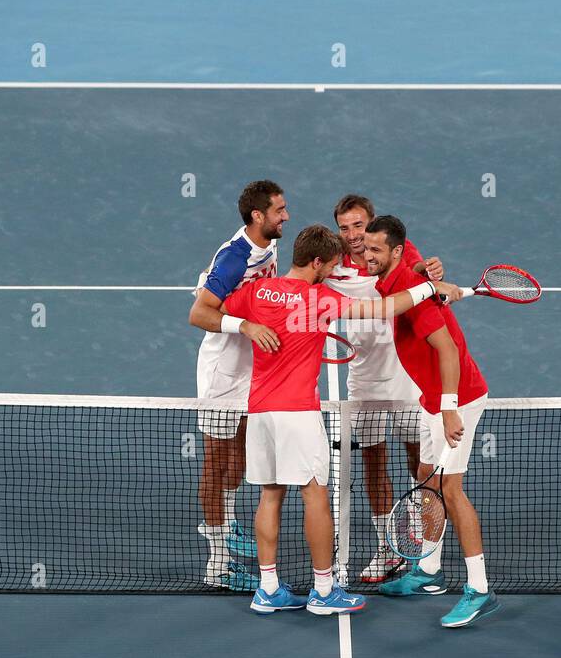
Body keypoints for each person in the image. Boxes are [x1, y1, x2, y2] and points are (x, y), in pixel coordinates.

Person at [190, 224, 464, 616]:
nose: (335, 270)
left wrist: (246, 324)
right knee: (316, 497)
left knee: (269, 496)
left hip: (260, 413)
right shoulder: (321, 299)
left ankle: (268, 589)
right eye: (332, 264)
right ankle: (323, 590)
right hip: (299, 416)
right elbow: (384, 308)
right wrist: (429, 289)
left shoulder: (252, 293)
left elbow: (206, 309)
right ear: (317, 263)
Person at [363, 215, 499, 628]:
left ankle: (479, 590)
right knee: (426, 478)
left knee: (451, 491)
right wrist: (431, 283)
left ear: (397, 252)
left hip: (456, 399)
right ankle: (428, 571)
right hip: (431, 397)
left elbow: (447, 350)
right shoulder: (398, 281)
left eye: (375, 250)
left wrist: (450, 407)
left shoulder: (408, 291)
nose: (365, 255)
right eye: (365, 248)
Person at [330, 194, 444, 583]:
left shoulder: (397, 251)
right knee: (374, 461)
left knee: (420, 460)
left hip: (406, 371)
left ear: (373, 224)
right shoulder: (333, 263)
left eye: (358, 225)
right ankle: (386, 548)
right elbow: (302, 285)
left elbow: (421, 270)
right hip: (364, 377)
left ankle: (424, 544)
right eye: (344, 228)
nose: (352, 235)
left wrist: (434, 271)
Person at [188, 180, 288, 589]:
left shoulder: (270, 244)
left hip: (253, 366)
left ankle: (228, 523)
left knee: (240, 454)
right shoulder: (236, 257)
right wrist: (245, 324)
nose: (286, 216)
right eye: (280, 210)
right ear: (257, 216)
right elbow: (199, 313)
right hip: (223, 373)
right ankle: (217, 563)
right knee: (215, 460)